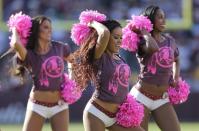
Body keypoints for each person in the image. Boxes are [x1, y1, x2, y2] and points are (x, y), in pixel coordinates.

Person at [69, 18, 144, 131]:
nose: (119, 41)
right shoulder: (99, 55)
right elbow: (104, 33)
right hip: (97, 112)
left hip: (118, 116)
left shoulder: (119, 57)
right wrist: (91, 22)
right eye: (115, 37)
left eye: (121, 37)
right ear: (107, 39)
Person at [10, 15, 71, 131]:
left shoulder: (60, 47)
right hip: (37, 105)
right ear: (37, 31)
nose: (50, 30)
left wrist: (71, 79)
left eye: (50, 27)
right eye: (46, 27)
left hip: (60, 104)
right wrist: (15, 26)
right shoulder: (30, 54)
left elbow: (73, 61)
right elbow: (15, 43)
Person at [129, 5, 181, 131]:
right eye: (160, 17)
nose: (164, 21)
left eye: (164, 17)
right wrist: (144, 30)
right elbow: (153, 48)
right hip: (141, 97)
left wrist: (175, 77)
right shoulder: (142, 41)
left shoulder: (170, 41)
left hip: (161, 98)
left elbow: (177, 59)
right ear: (150, 20)